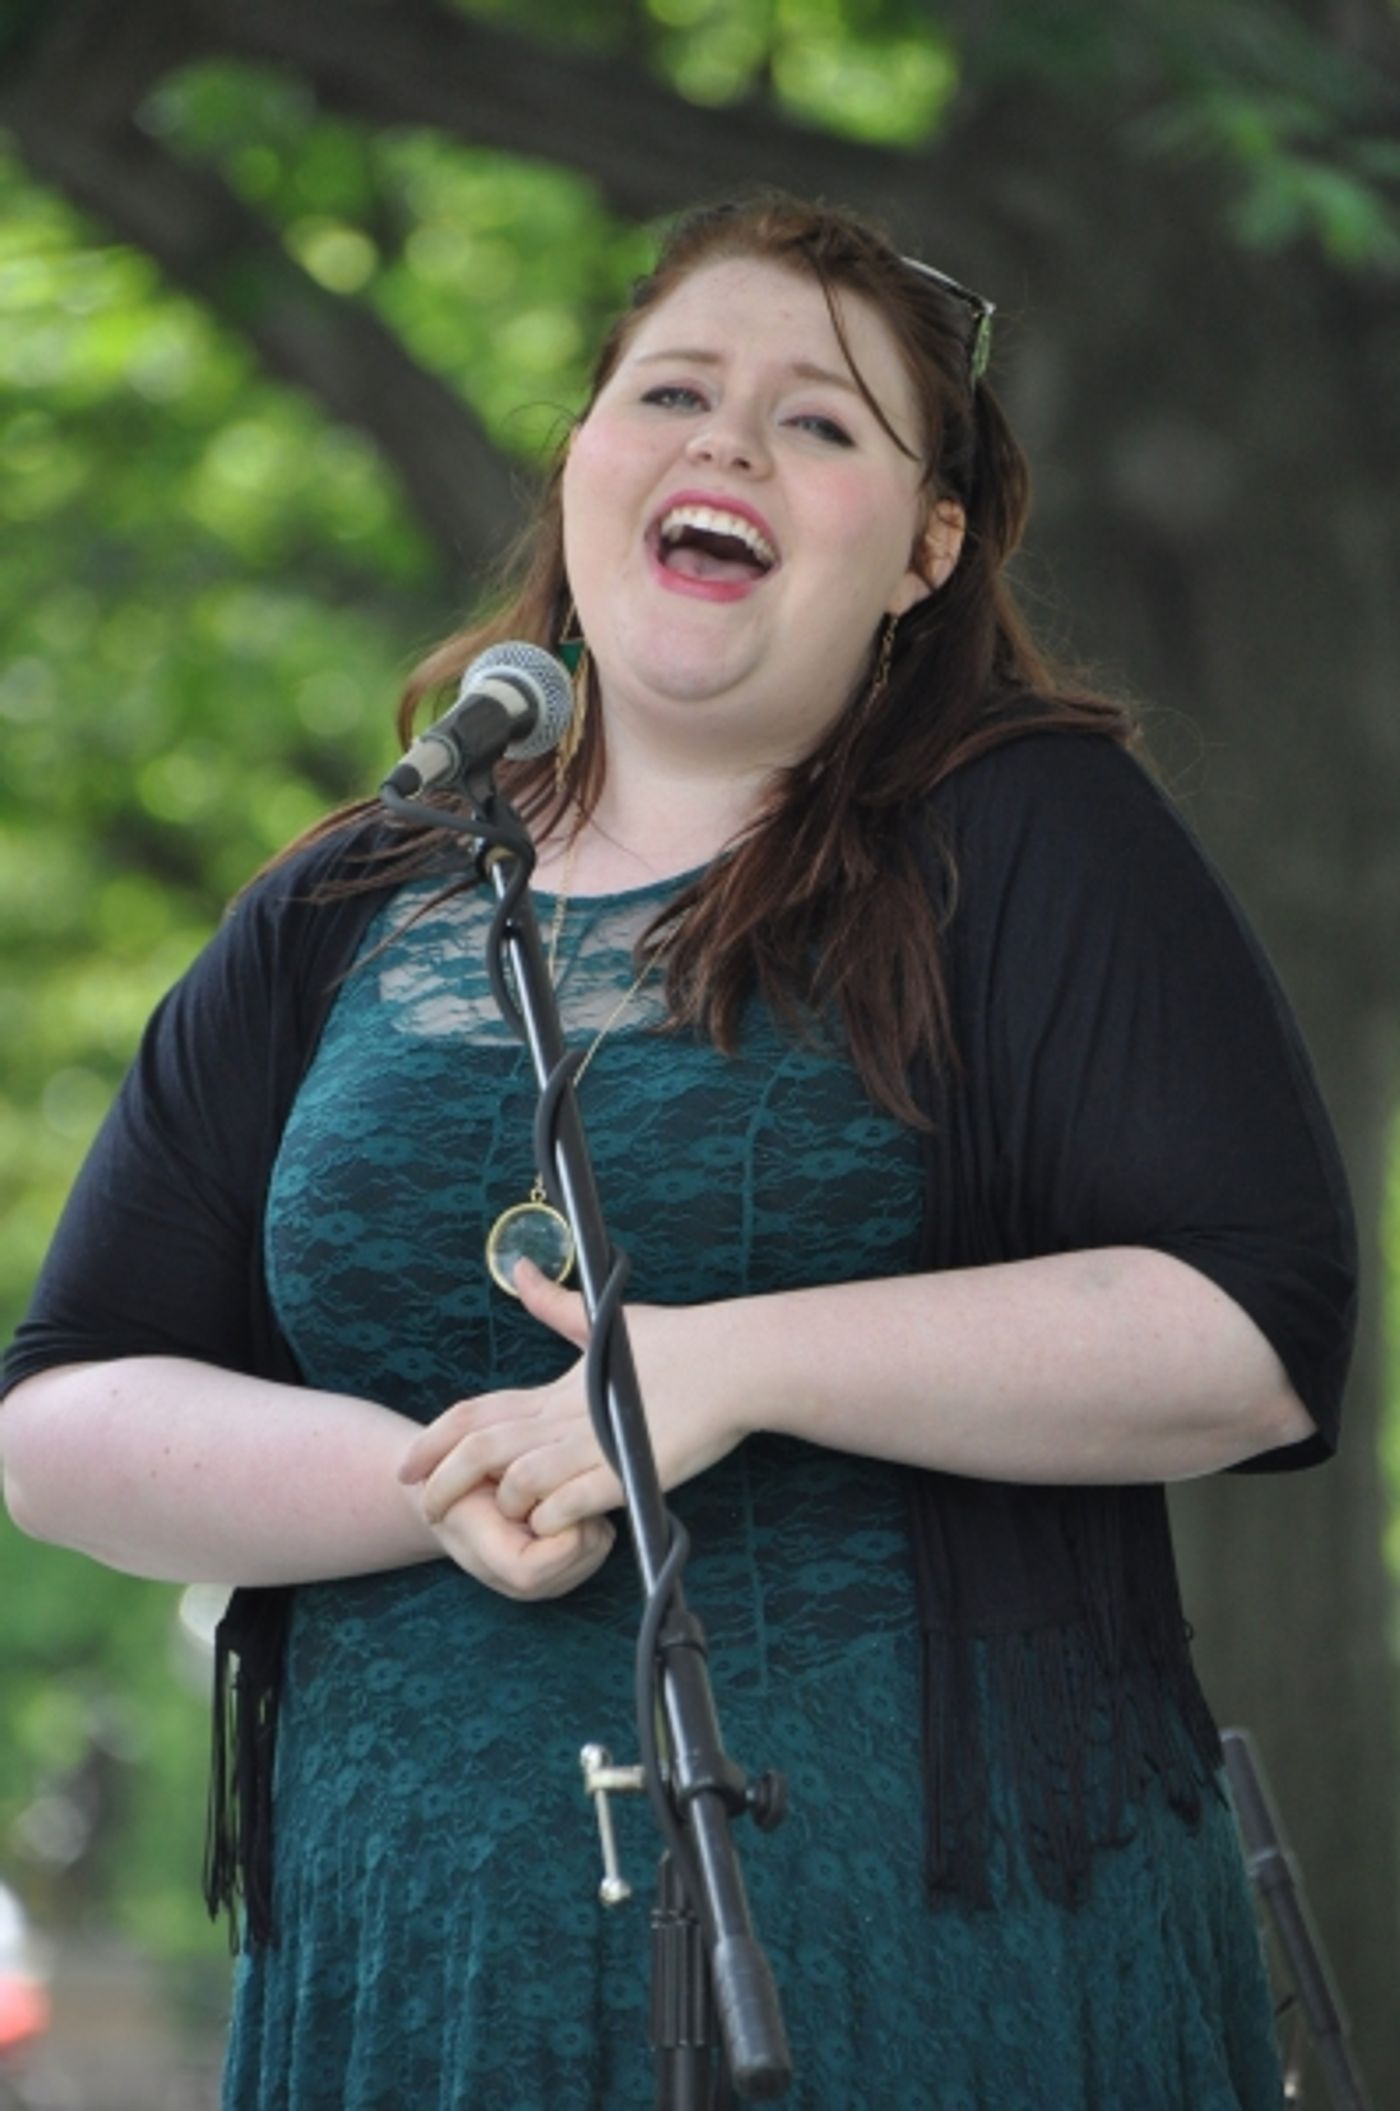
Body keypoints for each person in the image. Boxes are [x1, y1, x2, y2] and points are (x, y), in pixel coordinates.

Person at [0, 191, 1355, 2110]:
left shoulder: (1036, 833)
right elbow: (59, 1418)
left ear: (927, 548)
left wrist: (726, 1365)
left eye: (820, 423)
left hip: (937, 1974)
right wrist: (435, 1474)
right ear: (582, 464)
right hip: (418, 1983)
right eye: (676, 391)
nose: (730, 440)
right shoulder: (345, 898)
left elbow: (1255, 1328)